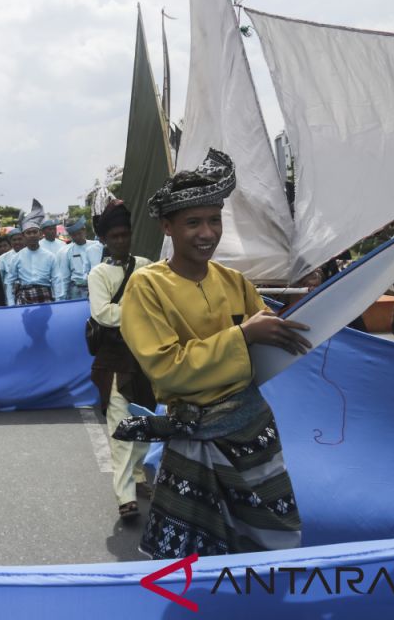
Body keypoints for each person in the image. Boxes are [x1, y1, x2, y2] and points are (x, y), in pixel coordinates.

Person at [116, 149, 310, 559]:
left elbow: (268, 346)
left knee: (274, 538)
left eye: (215, 220)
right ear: (167, 227)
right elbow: (168, 371)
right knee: (198, 556)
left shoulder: (234, 280)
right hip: (196, 440)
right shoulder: (145, 286)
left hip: (254, 433)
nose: (207, 232)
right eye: (193, 223)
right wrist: (242, 335)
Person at [86, 200, 155, 520]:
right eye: (114, 236)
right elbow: (103, 314)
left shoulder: (147, 265)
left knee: (146, 421)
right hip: (113, 358)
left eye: (125, 234)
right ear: (104, 240)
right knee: (119, 425)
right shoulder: (98, 274)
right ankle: (125, 495)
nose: (121, 241)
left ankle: (138, 473)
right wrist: (142, 315)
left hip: (147, 357)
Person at [7, 201, 63, 304]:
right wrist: (11, 303)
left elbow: (56, 279)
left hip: (45, 294)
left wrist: (58, 300)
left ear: (40, 234)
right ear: (23, 236)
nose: (32, 235)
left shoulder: (50, 256)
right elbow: (9, 281)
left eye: (34, 232)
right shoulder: (17, 257)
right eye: (28, 233)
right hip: (24, 295)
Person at [56, 217, 103, 300]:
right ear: (70, 235)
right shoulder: (66, 251)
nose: (77, 237)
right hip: (77, 290)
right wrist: (62, 298)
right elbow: (64, 277)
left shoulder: (97, 246)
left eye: (79, 233)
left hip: (97, 286)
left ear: (84, 230)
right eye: (74, 235)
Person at [0, 227, 23, 305]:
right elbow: (0, 280)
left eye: (20, 239)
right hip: (10, 293)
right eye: (14, 240)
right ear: (10, 242)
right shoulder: (2, 258)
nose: (17, 242)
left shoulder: (31, 254)